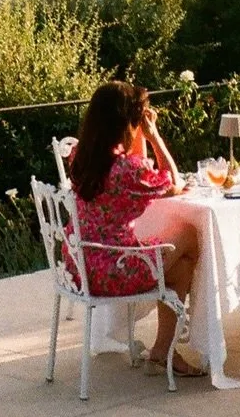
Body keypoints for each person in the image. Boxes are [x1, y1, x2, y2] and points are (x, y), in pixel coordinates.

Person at [69, 81, 204, 376]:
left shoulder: (81, 155)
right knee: (190, 233)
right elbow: (172, 180)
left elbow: (136, 162)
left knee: (180, 267)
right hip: (115, 268)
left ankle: (163, 351)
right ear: (126, 121)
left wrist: (137, 133)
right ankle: (200, 320)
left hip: (83, 263)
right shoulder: (124, 171)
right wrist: (153, 135)